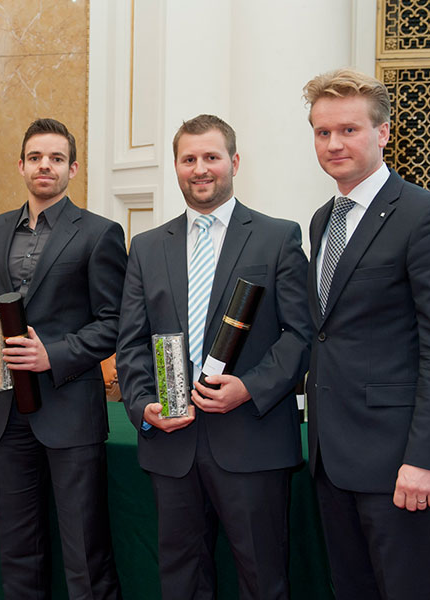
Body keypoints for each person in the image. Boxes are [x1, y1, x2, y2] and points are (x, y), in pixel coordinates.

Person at [116, 114, 312, 600]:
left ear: (234, 162)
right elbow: (132, 342)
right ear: (177, 167)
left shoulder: (277, 237)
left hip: (253, 439)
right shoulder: (145, 247)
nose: (200, 169)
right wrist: (143, 407)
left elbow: (301, 334)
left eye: (211, 157)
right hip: (172, 443)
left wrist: (250, 387)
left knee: (261, 579)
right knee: (181, 579)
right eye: (189, 159)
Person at [302, 68, 430, 599]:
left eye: (349, 130)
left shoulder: (429, 216)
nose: (333, 144)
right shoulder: (321, 220)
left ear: (383, 132)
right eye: (322, 131)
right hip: (332, 461)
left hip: (401, 464)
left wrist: (426, 460)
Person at [0, 118, 125, 599]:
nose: (45, 166)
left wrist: (50, 355)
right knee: (17, 550)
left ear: (73, 169)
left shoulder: (100, 233)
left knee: (83, 553)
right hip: (5, 411)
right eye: (36, 157)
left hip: (69, 411)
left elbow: (113, 322)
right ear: (20, 165)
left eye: (57, 158)